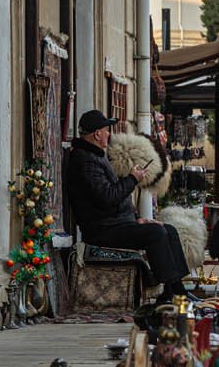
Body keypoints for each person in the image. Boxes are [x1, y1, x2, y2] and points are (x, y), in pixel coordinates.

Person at [65, 109, 188, 303]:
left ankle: (177, 290)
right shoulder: (85, 160)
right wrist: (132, 179)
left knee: (168, 230)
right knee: (155, 234)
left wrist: (137, 219)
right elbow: (107, 197)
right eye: (106, 130)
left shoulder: (95, 156)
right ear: (97, 134)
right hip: (103, 231)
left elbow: (111, 197)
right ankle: (171, 293)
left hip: (117, 224)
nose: (109, 134)